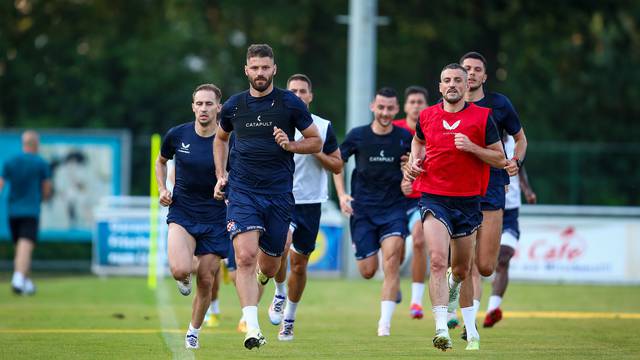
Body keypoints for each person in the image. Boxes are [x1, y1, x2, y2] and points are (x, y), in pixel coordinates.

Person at [213, 44, 322, 350]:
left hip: (278, 195)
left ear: (274, 69)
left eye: (265, 67)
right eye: (254, 68)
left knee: (271, 266)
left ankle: (267, 280)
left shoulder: (290, 104)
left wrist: (290, 145)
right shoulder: (234, 106)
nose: (260, 73)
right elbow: (220, 139)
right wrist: (221, 174)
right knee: (244, 256)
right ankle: (252, 326)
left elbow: (316, 142)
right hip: (243, 192)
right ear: (246, 70)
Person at [405, 63, 507, 351]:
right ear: (440, 87)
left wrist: (473, 148)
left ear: (467, 86)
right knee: (437, 259)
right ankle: (441, 329)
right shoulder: (426, 116)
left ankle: (464, 313)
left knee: (462, 270)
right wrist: (415, 161)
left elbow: (500, 159)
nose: (452, 84)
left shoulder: (483, 117)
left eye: (457, 81)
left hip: (469, 201)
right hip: (433, 197)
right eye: (446, 80)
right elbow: (417, 142)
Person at [453, 51, 526, 340]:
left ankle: (460, 307)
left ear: (484, 76)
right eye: (466, 68)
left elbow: (521, 140)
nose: (470, 73)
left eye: (476, 69)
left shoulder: (499, 105)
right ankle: (466, 325)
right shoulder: (448, 104)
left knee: (484, 267)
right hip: (456, 191)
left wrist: (515, 163)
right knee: (464, 264)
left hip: (493, 188)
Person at [266, 73, 342, 341]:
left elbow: (337, 165)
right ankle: (278, 292)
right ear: (286, 95)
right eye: (293, 91)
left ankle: (289, 318)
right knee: (282, 247)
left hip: (311, 203)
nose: (298, 96)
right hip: (281, 199)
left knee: (299, 265)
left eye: (303, 91)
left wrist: (312, 148)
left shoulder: (322, 127)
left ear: (310, 96)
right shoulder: (275, 122)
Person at [333, 87, 412, 337]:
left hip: (394, 209)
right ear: (372, 107)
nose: (385, 112)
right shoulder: (357, 136)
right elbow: (337, 164)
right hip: (363, 210)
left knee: (390, 263)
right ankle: (389, 281)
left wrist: (409, 172)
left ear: (396, 109)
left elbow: (418, 163)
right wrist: (342, 194)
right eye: (381, 107)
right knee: (367, 271)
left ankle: (384, 324)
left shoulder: (404, 137)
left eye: (390, 108)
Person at [155, 83, 229, 350]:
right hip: (183, 211)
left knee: (207, 279)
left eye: (209, 104)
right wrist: (163, 189)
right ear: (193, 107)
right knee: (180, 269)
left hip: (216, 216)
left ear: (219, 108)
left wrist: (225, 187)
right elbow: (161, 162)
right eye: (199, 104)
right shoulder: (178, 135)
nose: (203, 109)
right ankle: (183, 277)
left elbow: (238, 176)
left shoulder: (229, 140)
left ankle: (193, 331)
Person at [483, 134, 536, 328]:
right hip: (487, 207)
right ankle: (464, 308)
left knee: (504, 257)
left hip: (510, 210)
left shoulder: (515, 142)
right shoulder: (484, 138)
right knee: (478, 263)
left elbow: (520, 169)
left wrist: (527, 190)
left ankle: (492, 310)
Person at [393, 86, 430, 320]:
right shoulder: (393, 129)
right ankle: (392, 280)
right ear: (405, 106)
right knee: (393, 250)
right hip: (394, 200)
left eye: (420, 102)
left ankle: (416, 302)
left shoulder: (433, 128)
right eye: (412, 102)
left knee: (419, 240)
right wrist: (401, 181)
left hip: (421, 197)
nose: (416, 105)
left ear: (426, 106)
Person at [0, 130, 52, 295]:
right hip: (30, 210)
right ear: (36, 144)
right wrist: (43, 198)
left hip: (13, 211)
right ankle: (18, 278)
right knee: (26, 245)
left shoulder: (11, 162)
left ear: (23, 143)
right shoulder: (40, 163)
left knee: (21, 248)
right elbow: (46, 188)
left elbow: (1, 184)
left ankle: (25, 283)